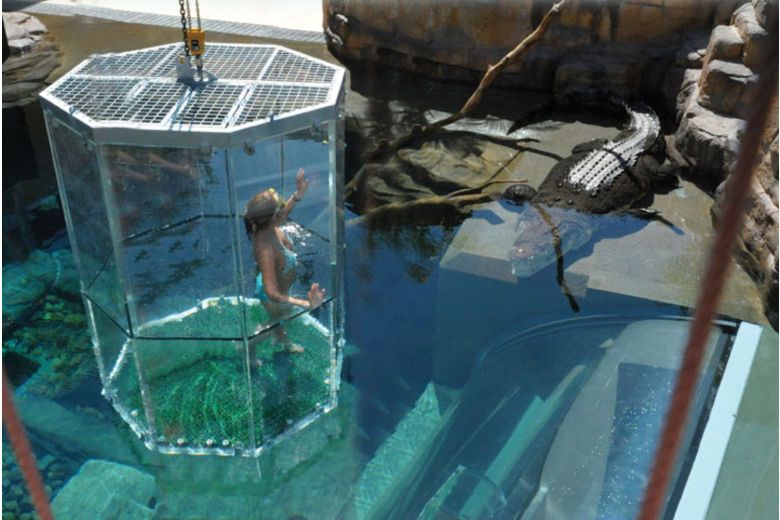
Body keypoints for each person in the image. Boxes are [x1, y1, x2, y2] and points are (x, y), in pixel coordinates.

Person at [244, 168, 325, 362]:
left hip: (281, 286)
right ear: (272, 217)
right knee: (274, 322)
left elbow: (283, 212)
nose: (284, 209)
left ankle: (283, 342)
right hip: (273, 295)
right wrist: (307, 304)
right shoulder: (266, 249)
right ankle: (248, 348)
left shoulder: (268, 226)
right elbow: (272, 292)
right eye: (280, 208)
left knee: (280, 322)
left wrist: (298, 195)